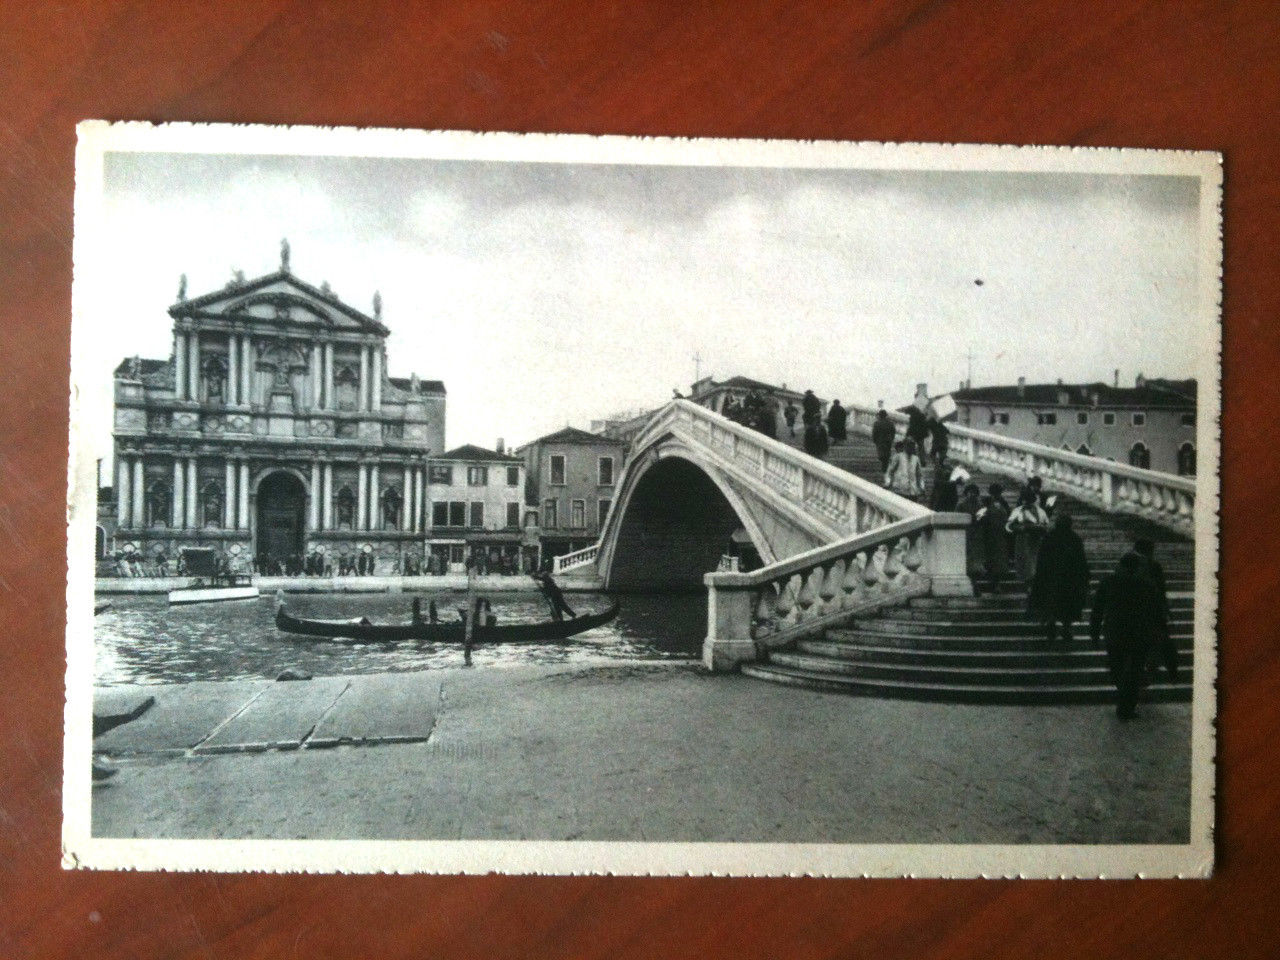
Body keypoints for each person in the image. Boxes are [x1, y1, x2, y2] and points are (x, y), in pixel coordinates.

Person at [1091, 552, 1164, 719]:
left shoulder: (1110, 582)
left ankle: (1125, 703)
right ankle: (1126, 705)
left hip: (1116, 633)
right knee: (1133, 671)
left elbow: (1098, 609)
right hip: (1137, 634)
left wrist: (1094, 633)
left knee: (1120, 668)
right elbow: (1156, 614)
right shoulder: (1146, 585)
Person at [1029, 512, 1090, 643]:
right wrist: (1084, 577)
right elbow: (1081, 560)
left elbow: (1042, 560)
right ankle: (1066, 628)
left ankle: (1051, 624)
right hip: (1069, 578)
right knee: (1068, 605)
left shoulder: (1050, 537)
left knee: (1052, 602)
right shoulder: (1074, 538)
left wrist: (1040, 576)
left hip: (1052, 577)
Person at [1134, 538, 1177, 681]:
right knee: (1155, 640)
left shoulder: (1130, 565)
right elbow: (1161, 589)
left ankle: (1141, 669)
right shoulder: (1154, 565)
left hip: (1136, 611)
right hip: (1153, 610)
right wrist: (1166, 609)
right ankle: (1153, 667)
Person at [1006, 488, 1051, 586]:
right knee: (1025, 565)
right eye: (1024, 500)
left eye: (1029, 500)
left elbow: (1047, 525)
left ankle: (1034, 585)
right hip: (1023, 541)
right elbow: (1008, 526)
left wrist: (1041, 528)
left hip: (1036, 540)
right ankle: (1028, 586)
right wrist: (1020, 528)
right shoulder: (1017, 511)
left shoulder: (1040, 511)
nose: (1026, 502)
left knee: (1035, 564)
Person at [973, 491, 1010, 593]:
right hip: (998, 540)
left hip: (987, 540)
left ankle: (984, 586)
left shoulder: (984, 511)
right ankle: (996, 585)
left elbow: (978, 522)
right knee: (997, 564)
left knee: (989, 563)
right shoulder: (1001, 509)